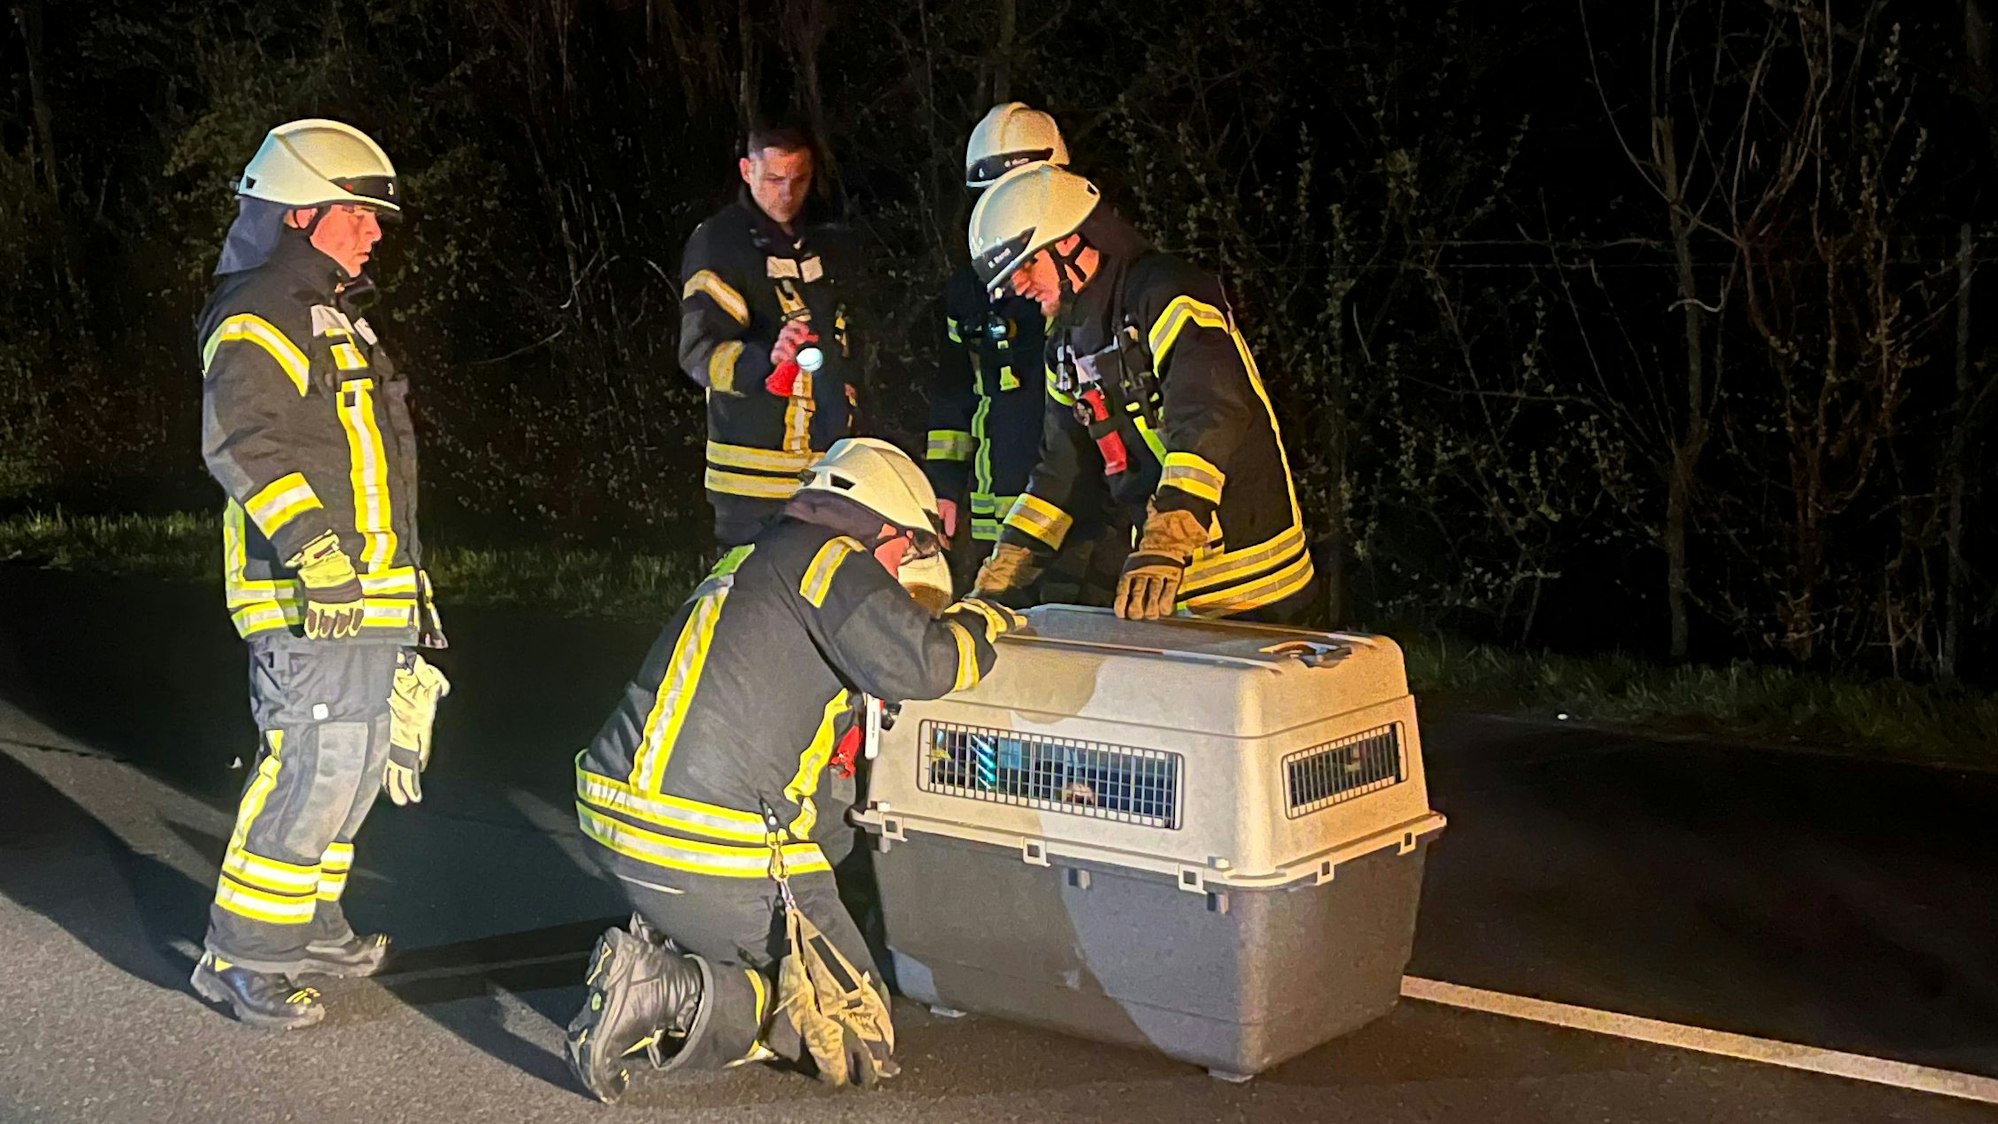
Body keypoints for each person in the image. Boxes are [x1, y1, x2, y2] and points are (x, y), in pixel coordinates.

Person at [563, 437, 1024, 1101]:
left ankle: (674, 946)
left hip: (615, 819)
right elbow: (927, 663)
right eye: (910, 550)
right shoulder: (836, 558)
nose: (902, 574)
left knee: (812, 856)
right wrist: (986, 615)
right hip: (705, 842)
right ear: (885, 526)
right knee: (855, 1032)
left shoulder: (757, 556)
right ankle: (669, 990)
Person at [189, 119, 450, 1028]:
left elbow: (377, 466)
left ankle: (310, 924)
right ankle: (241, 956)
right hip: (310, 591)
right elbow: (242, 442)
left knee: (361, 764)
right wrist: (315, 556)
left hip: (367, 590)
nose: (376, 231)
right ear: (302, 214)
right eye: (359, 215)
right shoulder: (261, 306)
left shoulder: (334, 311)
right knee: (314, 764)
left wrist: (403, 582)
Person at [967, 164, 1315, 622]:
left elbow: (1210, 411)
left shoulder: (1166, 292)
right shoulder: (1065, 344)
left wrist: (1168, 535)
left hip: (1251, 576)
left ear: (1071, 241)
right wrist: (1005, 571)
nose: (1019, 285)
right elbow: (1062, 469)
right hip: (1164, 580)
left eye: (1028, 263)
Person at [925, 103, 1121, 602]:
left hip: (1087, 510)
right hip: (1002, 512)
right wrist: (945, 482)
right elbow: (955, 389)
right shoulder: (971, 288)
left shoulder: (1093, 279)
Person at [678, 120, 864, 548]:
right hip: (752, 485)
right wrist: (766, 359)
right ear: (747, 170)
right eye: (774, 178)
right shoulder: (720, 243)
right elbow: (698, 351)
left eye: (799, 179)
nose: (787, 193)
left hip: (823, 474)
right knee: (748, 602)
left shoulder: (821, 241)